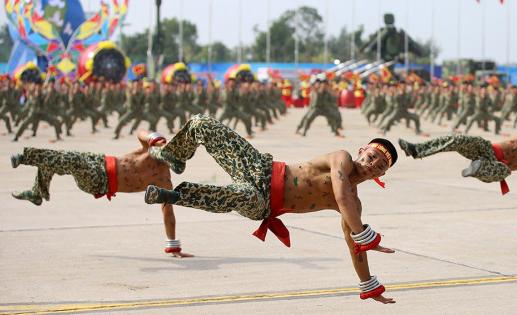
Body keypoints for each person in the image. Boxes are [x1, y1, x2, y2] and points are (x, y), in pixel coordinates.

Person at [145, 114, 398, 304]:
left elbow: (353, 246)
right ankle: (175, 155)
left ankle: (174, 195)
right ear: (361, 150)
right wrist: (365, 236)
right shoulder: (341, 159)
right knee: (203, 123)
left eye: (380, 166)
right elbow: (341, 193)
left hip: (263, 203)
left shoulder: (355, 206)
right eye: (372, 156)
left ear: (381, 175)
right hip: (260, 168)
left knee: (238, 195)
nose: (372, 164)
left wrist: (368, 284)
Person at [10, 131, 192, 258]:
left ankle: (26, 158)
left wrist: (173, 247)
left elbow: (168, 215)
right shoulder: (150, 149)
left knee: (68, 160)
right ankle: (37, 192)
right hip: (98, 160)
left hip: (100, 181)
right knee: (61, 158)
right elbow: (140, 132)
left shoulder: (163, 182)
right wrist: (156, 138)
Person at [398, 120, 517, 233]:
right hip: (488, 149)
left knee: (503, 171)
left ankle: (477, 168)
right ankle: (416, 149)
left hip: (494, 168)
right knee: (458, 140)